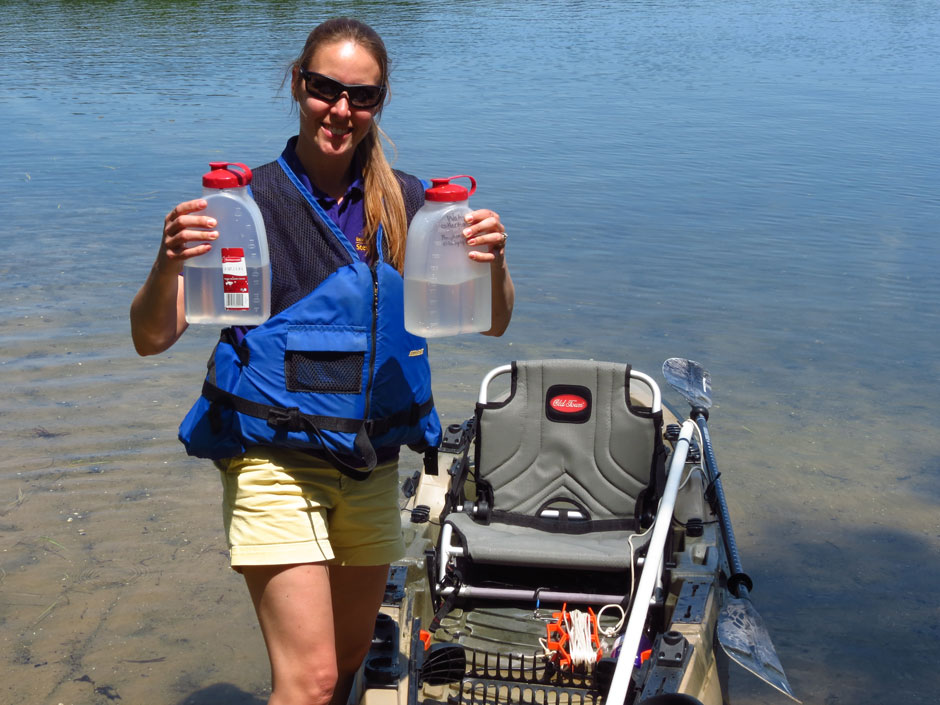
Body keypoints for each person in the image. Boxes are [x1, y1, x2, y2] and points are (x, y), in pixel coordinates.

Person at [129, 17, 514, 705]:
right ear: (298, 85)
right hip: (274, 460)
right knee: (308, 683)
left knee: (341, 676)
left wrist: (495, 261)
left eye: (360, 96)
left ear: (379, 104)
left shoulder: (410, 205)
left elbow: (491, 321)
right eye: (324, 88)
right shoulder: (244, 207)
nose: (340, 109)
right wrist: (168, 260)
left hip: (369, 464)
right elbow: (151, 336)